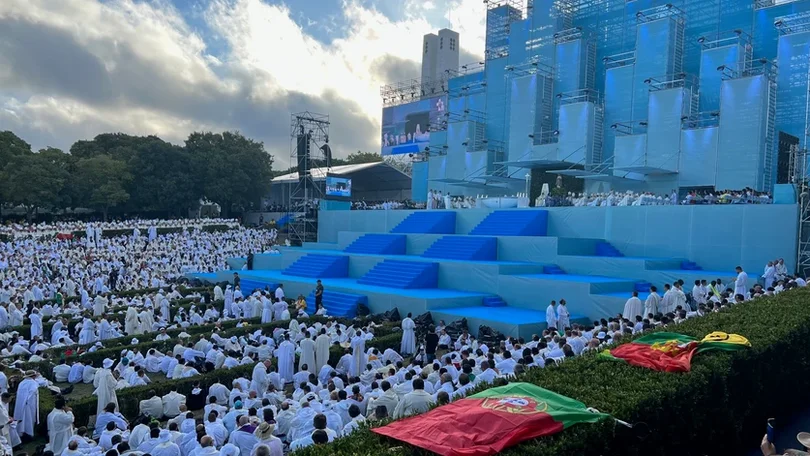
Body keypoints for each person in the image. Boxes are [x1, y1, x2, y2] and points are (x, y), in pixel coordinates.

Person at [14, 370, 40, 439]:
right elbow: (32, 392)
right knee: (29, 419)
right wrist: (28, 401)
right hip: (30, 403)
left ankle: (21, 433)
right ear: (33, 376)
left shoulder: (22, 383)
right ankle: (29, 434)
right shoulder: (33, 383)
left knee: (22, 418)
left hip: (21, 403)